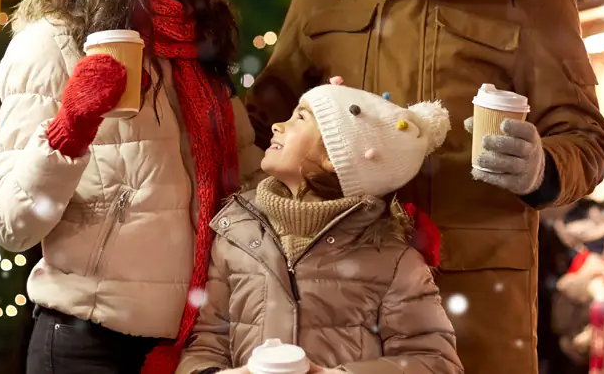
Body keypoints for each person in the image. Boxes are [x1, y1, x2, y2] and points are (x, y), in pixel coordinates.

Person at [246, 0, 604, 374]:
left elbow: (587, 140)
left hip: (470, 299)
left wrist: (542, 168)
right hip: (341, 298)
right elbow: (265, 122)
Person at [0, 0, 262, 374]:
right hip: (89, 346)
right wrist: (71, 129)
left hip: (199, 343)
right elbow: (8, 224)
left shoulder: (191, 39)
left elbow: (248, 181)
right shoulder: (50, 46)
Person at [177, 80, 462, 374]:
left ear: (333, 156)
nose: (276, 125)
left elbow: (434, 361)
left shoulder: (393, 261)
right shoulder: (236, 234)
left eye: (299, 117)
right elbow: (207, 344)